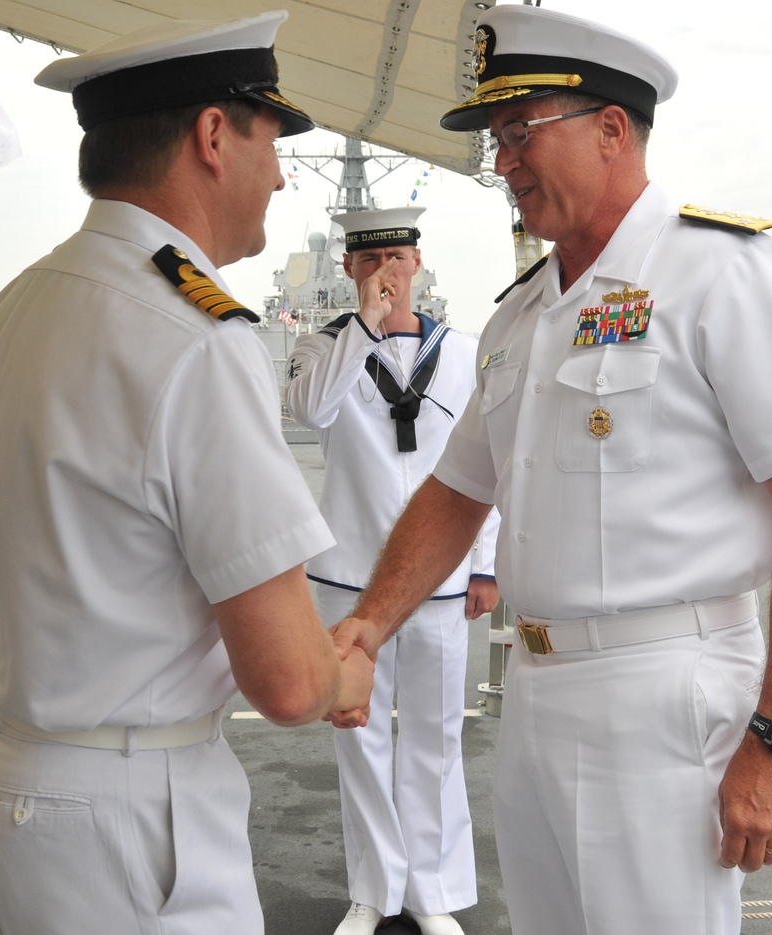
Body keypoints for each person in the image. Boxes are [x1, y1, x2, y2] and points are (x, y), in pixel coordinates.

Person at [330, 6, 772, 935]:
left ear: (612, 130)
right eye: (497, 138)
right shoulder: (521, 316)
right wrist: (367, 627)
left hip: (667, 695)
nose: (501, 162)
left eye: (518, 133)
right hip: (538, 689)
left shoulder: (718, 272)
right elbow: (458, 490)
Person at [0, 13, 374, 935]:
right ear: (214, 136)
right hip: (132, 811)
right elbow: (291, 682)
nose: (280, 173)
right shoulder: (197, 336)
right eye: (271, 141)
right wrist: (346, 671)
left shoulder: (8, 313)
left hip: (13, 768)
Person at [285, 208, 500, 935]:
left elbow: (487, 462)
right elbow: (310, 411)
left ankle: (431, 893)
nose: (388, 273)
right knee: (361, 735)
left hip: (439, 582)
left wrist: (486, 563)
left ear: (418, 262)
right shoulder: (323, 351)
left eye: (399, 259)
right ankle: (373, 889)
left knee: (437, 738)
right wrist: (365, 329)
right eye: (372, 262)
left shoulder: (466, 351)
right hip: (350, 577)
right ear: (350, 268)